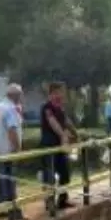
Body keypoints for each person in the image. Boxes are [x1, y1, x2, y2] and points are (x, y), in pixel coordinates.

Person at [40, 82, 78, 210]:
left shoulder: (60, 108)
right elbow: (53, 122)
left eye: (61, 93)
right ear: (50, 94)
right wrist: (63, 135)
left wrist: (75, 132)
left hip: (61, 146)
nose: (59, 96)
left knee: (64, 172)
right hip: (49, 145)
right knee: (49, 174)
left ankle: (63, 200)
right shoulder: (47, 107)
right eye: (56, 93)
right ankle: (49, 202)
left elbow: (66, 121)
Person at [0, 84, 24, 220]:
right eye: (20, 94)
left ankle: (0, 208)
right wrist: (17, 149)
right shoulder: (10, 109)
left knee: (1, 180)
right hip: (7, 151)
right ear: (15, 96)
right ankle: (12, 210)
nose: (22, 97)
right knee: (9, 180)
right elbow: (12, 130)